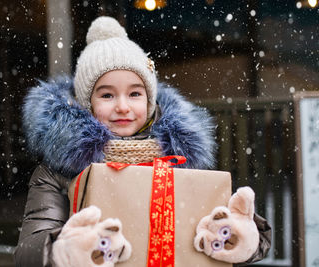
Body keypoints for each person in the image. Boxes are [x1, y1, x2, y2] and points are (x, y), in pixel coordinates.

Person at [14, 16, 271, 266]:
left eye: (135, 93)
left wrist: (241, 238)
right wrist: (64, 250)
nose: (123, 107)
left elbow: (245, 236)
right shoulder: (56, 173)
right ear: (87, 103)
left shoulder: (181, 160)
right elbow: (28, 252)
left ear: (149, 101)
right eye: (107, 95)